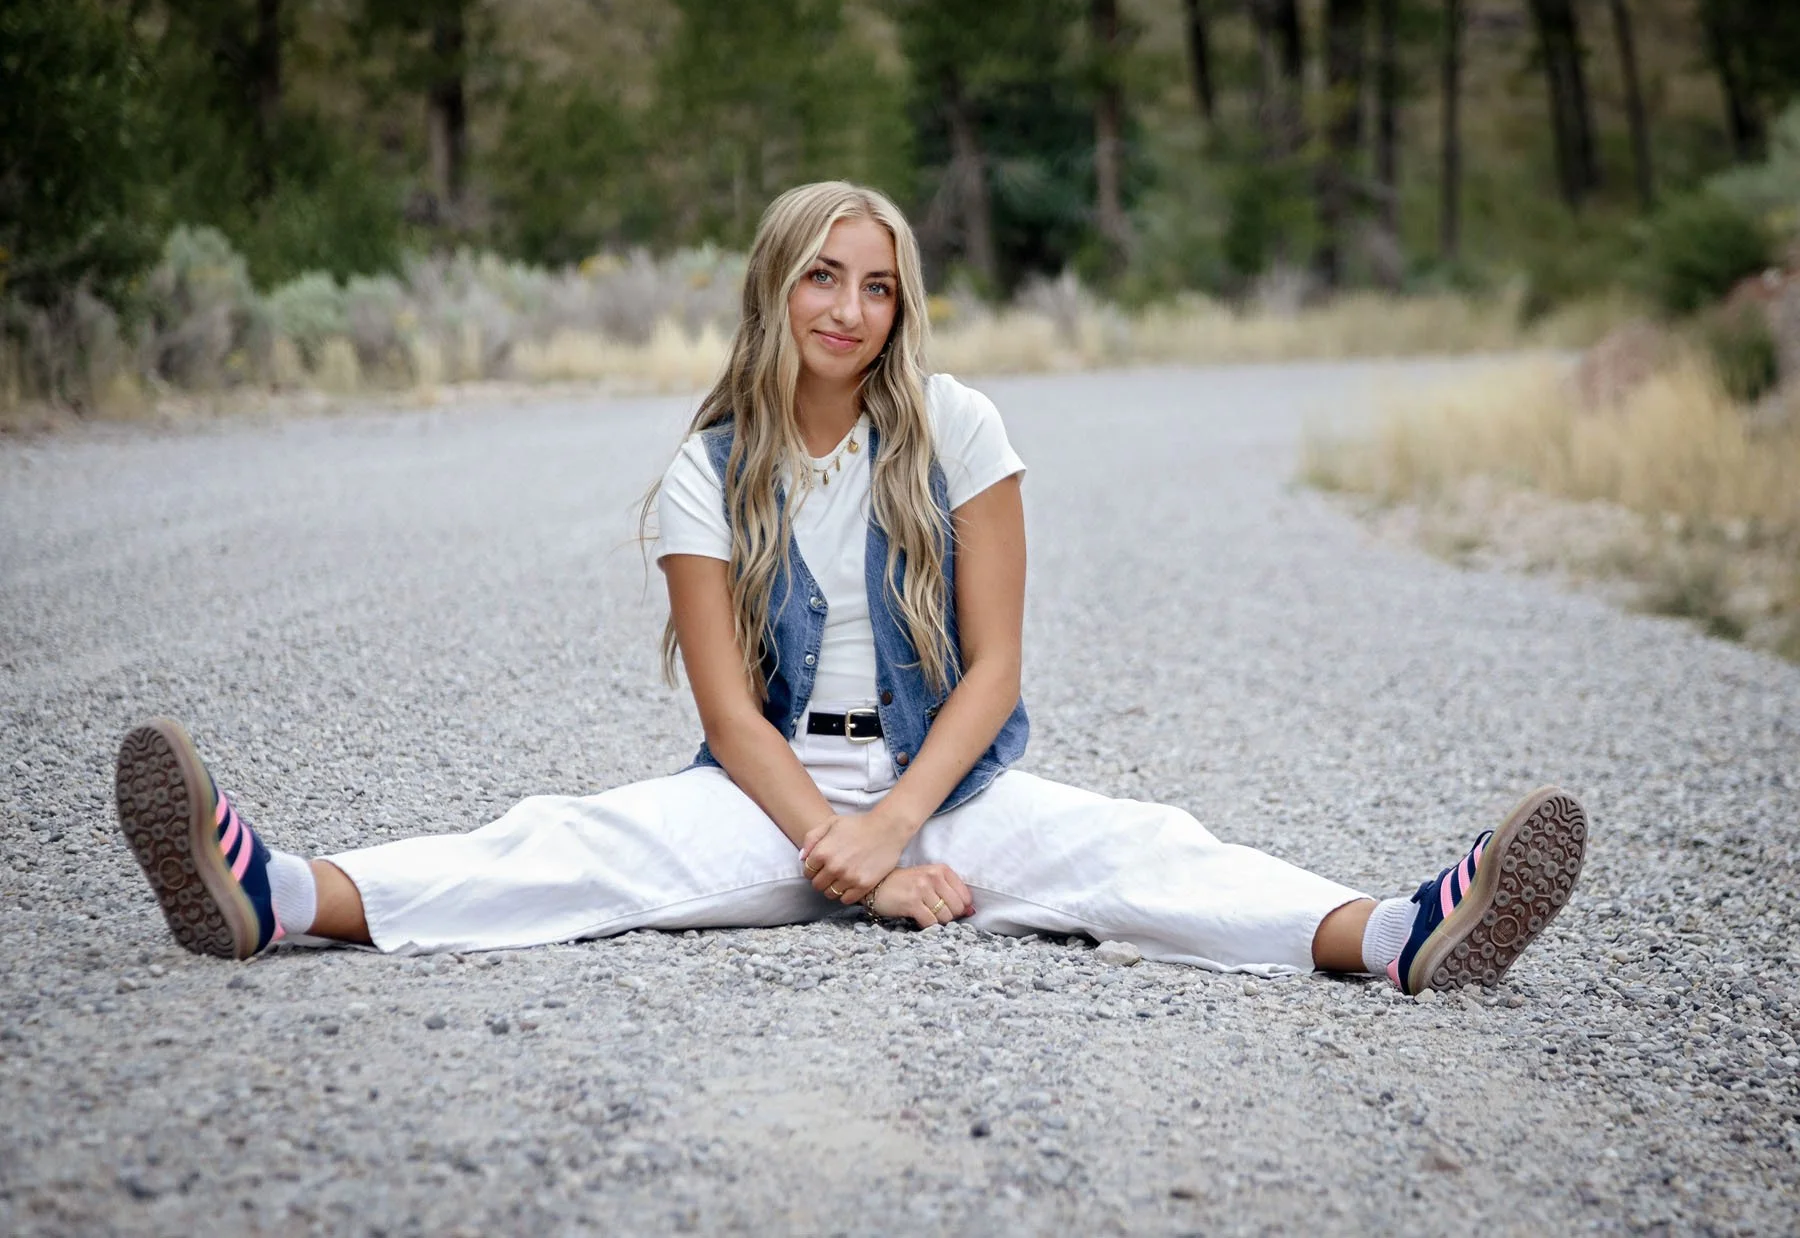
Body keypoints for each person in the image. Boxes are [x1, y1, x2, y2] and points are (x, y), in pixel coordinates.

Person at [114, 180, 1588, 994]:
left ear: (903, 304)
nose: (850, 309)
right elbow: (728, 715)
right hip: (771, 799)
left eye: (877, 285)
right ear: (777, 286)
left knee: (1146, 847)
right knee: (576, 844)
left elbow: (997, 667)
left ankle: (1396, 932)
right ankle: (279, 893)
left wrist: (897, 828)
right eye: (824, 277)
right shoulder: (709, 466)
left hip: (949, 784)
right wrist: (846, 850)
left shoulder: (958, 427)